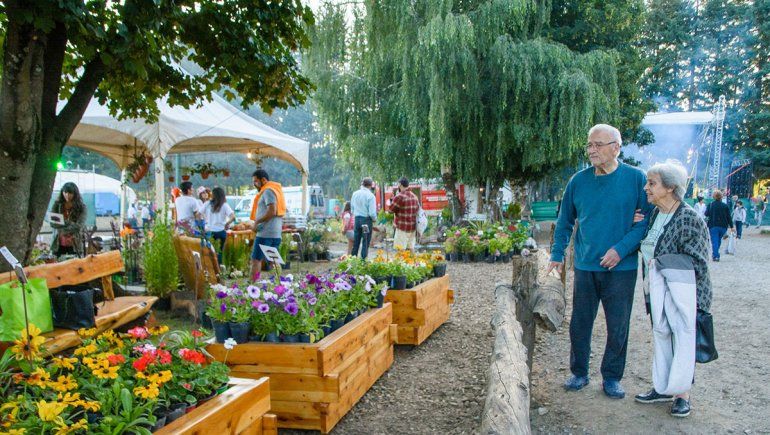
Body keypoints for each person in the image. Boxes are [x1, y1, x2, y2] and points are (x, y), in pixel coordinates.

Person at [547, 124, 649, 399]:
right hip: (586, 265)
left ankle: (612, 377)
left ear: (616, 146)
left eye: (598, 145)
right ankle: (579, 372)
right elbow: (565, 221)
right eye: (589, 145)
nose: (592, 150)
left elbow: (646, 223)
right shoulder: (578, 181)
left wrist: (621, 249)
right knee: (580, 322)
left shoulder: (636, 179)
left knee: (618, 325)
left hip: (622, 268)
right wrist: (557, 255)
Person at [633, 160, 712, 418]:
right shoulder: (657, 213)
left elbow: (698, 262)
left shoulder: (689, 217)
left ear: (669, 188)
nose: (646, 188)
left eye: (652, 183)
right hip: (657, 291)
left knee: (682, 340)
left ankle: (682, 394)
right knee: (662, 335)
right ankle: (663, 386)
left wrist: (661, 265)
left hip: (683, 294)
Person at [249, 169, 286, 280]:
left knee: (256, 260)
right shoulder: (275, 190)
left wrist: (257, 221)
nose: (254, 184)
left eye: (256, 181)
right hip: (274, 233)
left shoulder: (268, 191)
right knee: (273, 260)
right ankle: (281, 284)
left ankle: (252, 285)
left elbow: (272, 211)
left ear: (263, 180)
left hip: (265, 233)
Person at [51, 182, 87, 257]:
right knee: (57, 265)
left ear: (75, 194)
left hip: (75, 243)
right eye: (65, 192)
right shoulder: (57, 205)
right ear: (62, 192)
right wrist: (69, 223)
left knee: (75, 265)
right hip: (58, 243)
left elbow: (79, 226)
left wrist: (63, 227)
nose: (67, 195)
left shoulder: (82, 207)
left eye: (70, 193)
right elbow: (53, 223)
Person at [202, 187, 235, 264]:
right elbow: (233, 217)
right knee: (220, 253)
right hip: (221, 232)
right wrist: (227, 223)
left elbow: (198, 214)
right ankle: (219, 271)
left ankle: (211, 270)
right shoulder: (224, 205)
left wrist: (203, 223)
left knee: (209, 252)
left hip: (209, 232)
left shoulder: (207, 204)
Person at [350, 177, 378, 259]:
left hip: (357, 220)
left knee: (356, 241)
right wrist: (374, 219)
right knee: (365, 241)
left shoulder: (355, 194)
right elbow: (372, 213)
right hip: (366, 221)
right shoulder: (371, 196)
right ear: (370, 185)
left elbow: (352, 209)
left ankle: (353, 259)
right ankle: (363, 260)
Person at [390, 177, 420, 251]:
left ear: (400, 184)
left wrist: (393, 200)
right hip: (412, 228)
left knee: (400, 252)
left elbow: (391, 210)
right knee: (410, 251)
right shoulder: (414, 196)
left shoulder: (399, 196)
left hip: (402, 228)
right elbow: (418, 210)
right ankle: (413, 263)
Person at [704, 190, 733, 262]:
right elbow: (729, 217)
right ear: (721, 197)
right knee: (718, 240)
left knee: (714, 241)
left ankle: (716, 256)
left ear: (714, 196)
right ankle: (716, 253)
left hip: (713, 225)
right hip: (723, 226)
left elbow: (706, 214)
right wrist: (732, 226)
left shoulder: (710, 205)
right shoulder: (725, 206)